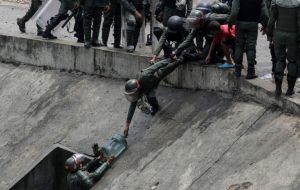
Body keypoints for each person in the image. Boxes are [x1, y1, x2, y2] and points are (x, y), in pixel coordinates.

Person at [123, 56, 190, 137]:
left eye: (133, 94)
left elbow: (157, 66)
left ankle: (181, 59)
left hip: (156, 76)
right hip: (149, 88)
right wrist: (127, 125)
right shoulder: (136, 93)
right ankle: (155, 107)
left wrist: (170, 59)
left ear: (137, 89)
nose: (133, 96)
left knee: (170, 67)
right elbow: (132, 108)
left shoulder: (144, 76)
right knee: (151, 98)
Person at [267, 0, 300, 97]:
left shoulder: (276, 2)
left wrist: (270, 34)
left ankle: (278, 89)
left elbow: (271, 20)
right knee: (292, 62)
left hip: (279, 35)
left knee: (279, 60)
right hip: (293, 36)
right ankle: (290, 90)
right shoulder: (298, 4)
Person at [228, 0, 269, 79]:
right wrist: (265, 25)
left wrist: (230, 23)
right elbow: (265, 14)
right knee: (251, 46)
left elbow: (234, 13)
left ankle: (237, 71)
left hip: (240, 24)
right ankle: (250, 72)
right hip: (253, 24)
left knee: (239, 46)